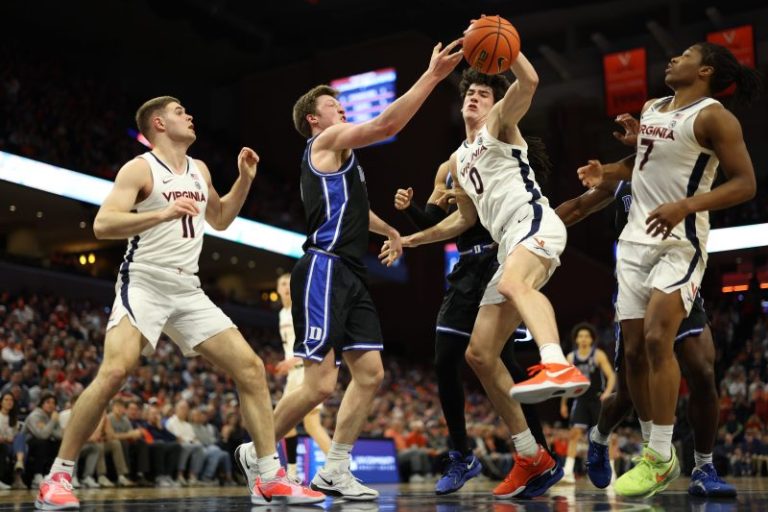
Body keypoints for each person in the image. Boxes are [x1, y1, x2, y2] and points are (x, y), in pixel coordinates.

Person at [35, 96, 324, 510]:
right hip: (145, 280)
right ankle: (58, 476)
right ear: (158, 123)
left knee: (251, 369)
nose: (189, 115)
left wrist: (244, 179)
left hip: (188, 288)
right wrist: (161, 214)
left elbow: (221, 219)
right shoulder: (140, 168)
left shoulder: (200, 169)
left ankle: (269, 477)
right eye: (179, 111)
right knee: (115, 370)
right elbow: (103, 224)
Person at [235, 39, 464, 502]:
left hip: (351, 273)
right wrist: (434, 76)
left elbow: (360, 211)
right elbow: (387, 123)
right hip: (322, 266)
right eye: (333, 105)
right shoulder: (323, 142)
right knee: (320, 384)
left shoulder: (346, 161)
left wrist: (392, 233)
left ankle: (334, 469)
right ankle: (255, 451)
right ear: (313, 121)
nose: (341, 110)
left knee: (371, 373)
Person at [384, 41, 589, 498]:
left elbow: (530, 81)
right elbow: (462, 221)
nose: (474, 97)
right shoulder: (459, 159)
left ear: (496, 103)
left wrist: (508, 44)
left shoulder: (500, 124)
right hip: (505, 243)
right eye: (468, 93)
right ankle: (530, 456)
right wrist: (409, 238)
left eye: (482, 92)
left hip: (533, 222)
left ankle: (557, 363)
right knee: (479, 354)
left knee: (516, 284)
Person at [576, 42, 760, 497]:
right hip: (633, 245)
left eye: (685, 55)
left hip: (679, 242)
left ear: (706, 70)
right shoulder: (653, 107)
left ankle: (661, 458)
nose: (673, 59)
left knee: (667, 343)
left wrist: (686, 206)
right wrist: (610, 171)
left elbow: (745, 183)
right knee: (635, 354)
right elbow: (641, 164)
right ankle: (647, 451)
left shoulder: (715, 116)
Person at [555, 115, 737, 497]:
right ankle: (600, 436)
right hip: (637, 279)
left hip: (676, 266)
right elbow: (575, 209)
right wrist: (532, 232)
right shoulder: (622, 178)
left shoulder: (680, 164)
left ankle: (703, 467)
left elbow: (717, 180)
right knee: (624, 394)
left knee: (703, 369)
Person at [273, 272, 331, 479]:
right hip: (294, 376)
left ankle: (338, 468)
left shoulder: (301, 309)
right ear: (278, 289)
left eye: (289, 283)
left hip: (308, 371)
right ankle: (291, 472)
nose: (286, 286)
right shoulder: (282, 313)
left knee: (311, 424)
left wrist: (294, 360)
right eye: (282, 283)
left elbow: (313, 342)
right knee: (285, 422)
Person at [558, 322, 615, 483]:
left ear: (591, 340)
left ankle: (611, 471)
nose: (583, 339)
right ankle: (568, 472)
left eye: (587, 336)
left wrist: (607, 393)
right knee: (574, 434)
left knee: (604, 436)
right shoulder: (571, 357)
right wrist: (563, 403)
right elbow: (567, 383)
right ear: (576, 339)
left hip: (597, 400)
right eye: (580, 336)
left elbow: (611, 376)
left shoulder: (598, 355)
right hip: (580, 400)